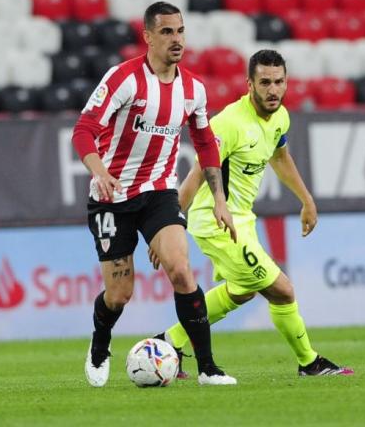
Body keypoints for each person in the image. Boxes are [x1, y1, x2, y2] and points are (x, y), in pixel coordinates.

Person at [151, 50, 353, 378]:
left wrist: (307, 199)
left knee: (243, 290)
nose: (273, 90)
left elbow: (280, 156)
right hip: (215, 219)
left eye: (279, 82)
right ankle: (309, 362)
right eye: (265, 83)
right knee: (282, 290)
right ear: (249, 84)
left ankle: (170, 340)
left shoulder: (280, 117)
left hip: (242, 217)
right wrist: (170, 223)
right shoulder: (229, 123)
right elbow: (197, 172)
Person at [71, 1, 238, 387]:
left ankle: (208, 368)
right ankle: (100, 343)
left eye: (180, 31)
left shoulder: (193, 89)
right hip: (112, 197)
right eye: (166, 32)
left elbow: (206, 145)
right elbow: (83, 130)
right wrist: (101, 172)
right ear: (147, 36)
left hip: (160, 192)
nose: (176, 39)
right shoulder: (124, 79)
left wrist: (219, 201)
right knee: (120, 294)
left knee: (181, 270)